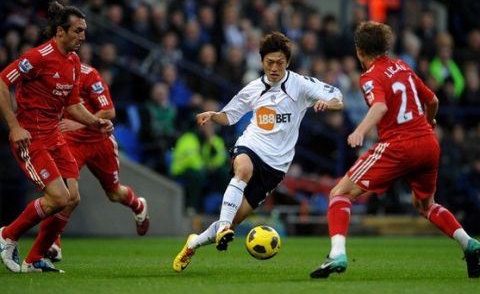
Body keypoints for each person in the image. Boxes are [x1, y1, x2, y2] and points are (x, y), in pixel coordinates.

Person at [309, 21, 480, 279]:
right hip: (428, 143)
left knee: (340, 193)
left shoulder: (370, 76)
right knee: (426, 205)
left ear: (359, 51)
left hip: (399, 145)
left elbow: (379, 107)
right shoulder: (403, 66)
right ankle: (470, 244)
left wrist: (359, 131)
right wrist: (429, 121)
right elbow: (432, 100)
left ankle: (336, 254)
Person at [172, 31, 344, 272]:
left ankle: (194, 242)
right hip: (251, 145)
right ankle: (223, 228)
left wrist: (328, 104)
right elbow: (230, 116)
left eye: (280, 63)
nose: (274, 68)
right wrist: (213, 115)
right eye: (269, 62)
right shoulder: (253, 88)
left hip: (276, 166)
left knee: (234, 220)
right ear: (262, 62)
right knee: (242, 169)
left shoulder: (301, 85)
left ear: (288, 63)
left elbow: (337, 96)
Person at [0, 1, 113, 273]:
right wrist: (14, 126)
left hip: (54, 135)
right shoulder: (38, 57)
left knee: (72, 198)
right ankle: (7, 235)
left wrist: (95, 122)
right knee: (59, 197)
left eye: (84, 31)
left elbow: (73, 106)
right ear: (60, 32)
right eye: (77, 30)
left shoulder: (74, 62)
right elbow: (2, 81)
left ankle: (35, 258)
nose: (83, 36)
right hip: (31, 137)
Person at [45, 63, 150, 263]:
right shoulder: (51, 73)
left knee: (114, 193)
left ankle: (138, 205)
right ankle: (54, 244)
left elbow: (109, 111)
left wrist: (80, 122)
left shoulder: (90, 75)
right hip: (71, 143)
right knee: (65, 193)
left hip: (99, 141)